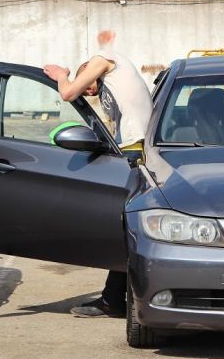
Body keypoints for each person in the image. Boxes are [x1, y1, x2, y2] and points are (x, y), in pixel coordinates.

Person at [44, 48, 153, 317]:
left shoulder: (103, 60)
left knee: (125, 227)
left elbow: (68, 93)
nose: (88, 93)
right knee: (125, 227)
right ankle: (114, 297)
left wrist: (62, 77)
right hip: (133, 147)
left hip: (135, 149)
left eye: (87, 87)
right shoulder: (110, 84)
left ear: (86, 70)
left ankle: (115, 299)